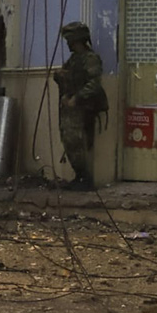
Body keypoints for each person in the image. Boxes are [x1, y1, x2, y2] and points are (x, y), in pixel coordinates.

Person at [53, 22, 108, 191]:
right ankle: (80, 176)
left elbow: (94, 83)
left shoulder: (90, 59)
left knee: (74, 141)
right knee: (69, 140)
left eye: (70, 40)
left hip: (83, 107)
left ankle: (84, 178)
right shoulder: (74, 59)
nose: (68, 44)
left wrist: (76, 98)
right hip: (71, 106)